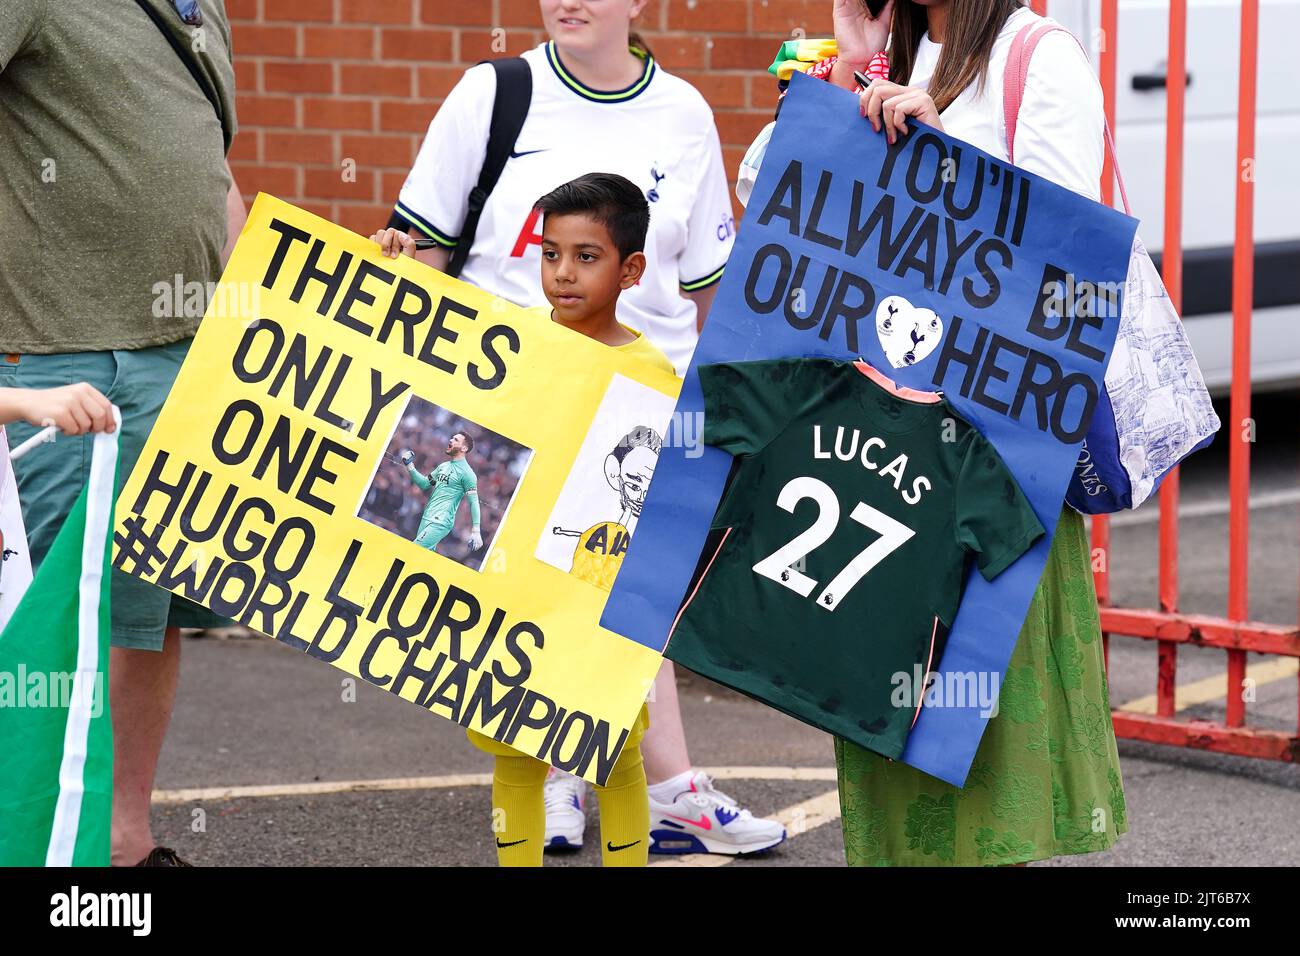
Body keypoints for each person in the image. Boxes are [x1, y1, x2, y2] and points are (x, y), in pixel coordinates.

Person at [373, 0, 784, 856]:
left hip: (644, 412)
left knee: (632, 606)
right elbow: (426, 254)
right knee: (534, 599)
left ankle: (663, 790)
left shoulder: (683, 113)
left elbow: (710, 287)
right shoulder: (495, 93)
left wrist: (737, 415)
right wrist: (391, 268)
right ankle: (559, 773)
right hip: (519, 412)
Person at [770, 0, 1127, 865]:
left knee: (974, 742)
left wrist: (950, 160)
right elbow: (777, 201)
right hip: (876, 451)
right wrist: (851, 69)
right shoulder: (888, 47)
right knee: (885, 726)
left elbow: (1075, 270)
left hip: (991, 460)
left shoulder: (1036, 58)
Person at [0, 0, 245, 867]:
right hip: (59, 362)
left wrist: (251, 322)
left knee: (146, 615)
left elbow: (211, 174)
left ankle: (121, 843)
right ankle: (30, 843)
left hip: (183, 356)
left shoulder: (200, 4)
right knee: (44, 619)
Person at [398, 433, 483, 554]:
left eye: (456, 439)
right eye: (452, 437)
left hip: (441, 522)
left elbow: (473, 502)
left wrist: (476, 531)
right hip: (427, 517)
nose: (450, 440)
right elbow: (424, 483)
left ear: (464, 448)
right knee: (421, 557)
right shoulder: (443, 466)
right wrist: (410, 465)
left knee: (412, 552)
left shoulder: (468, 474)